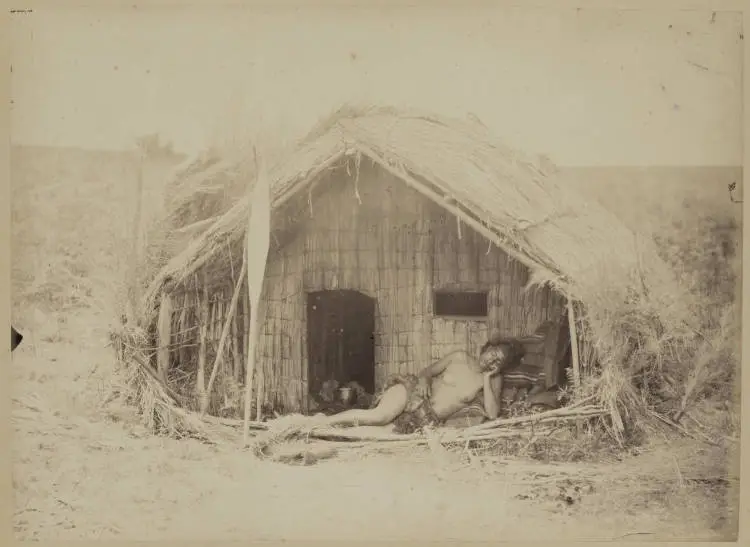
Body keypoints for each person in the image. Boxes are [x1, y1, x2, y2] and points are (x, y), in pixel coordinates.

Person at [317, 334, 524, 434]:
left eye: (498, 362)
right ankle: (320, 423)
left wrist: (487, 378)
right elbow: (427, 372)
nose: (490, 360)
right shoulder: (459, 357)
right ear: (488, 347)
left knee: (378, 433)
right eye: (492, 354)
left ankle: (324, 430)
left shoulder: (493, 380)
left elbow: (493, 413)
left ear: (501, 367)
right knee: (379, 417)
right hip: (412, 394)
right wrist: (424, 381)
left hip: (425, 418)